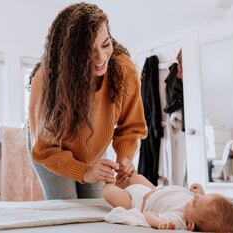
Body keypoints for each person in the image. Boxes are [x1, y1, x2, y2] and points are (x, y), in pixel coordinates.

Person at [27, 2, 148, 199]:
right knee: (67, 211)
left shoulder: (124, 71)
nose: (101, 57)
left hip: (93, 148)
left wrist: (124, 158)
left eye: (106, 44)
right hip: (51, 148)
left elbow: (132, 126)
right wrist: (84, 172)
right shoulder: (45, 80)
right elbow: (45, 149)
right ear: (71, 55)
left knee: (95, 206)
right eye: (88, 51)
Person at [103, 172, 233, 232]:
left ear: (190, 224)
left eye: (196, 201)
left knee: (108, 193)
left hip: (139, 200)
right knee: (135, 176)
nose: (195, 198)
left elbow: (147, 214)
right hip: (155, 190)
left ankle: (109, 182)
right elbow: (201, 203)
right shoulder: (197, 207)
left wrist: (158, 223)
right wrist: (200, 193)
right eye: (199, 198)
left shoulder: (177, 220)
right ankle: (124, 181)